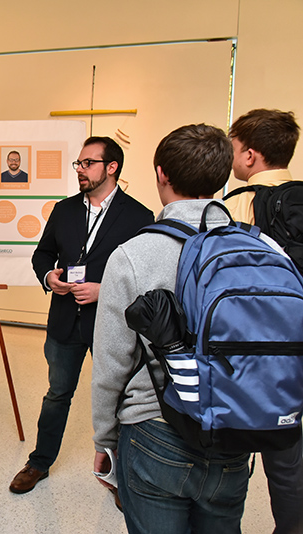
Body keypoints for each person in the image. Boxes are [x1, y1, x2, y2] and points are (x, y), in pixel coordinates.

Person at [92, 124, 252, 533]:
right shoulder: (256, 246)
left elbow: (111, 363)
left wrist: (104, 441)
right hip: (235, 428)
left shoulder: (132, 255)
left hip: (155, 429)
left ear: (161, 173)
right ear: (223, 175)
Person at [9, 137, 153, 496]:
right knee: (57, 393)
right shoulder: (64, 209)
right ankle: (39, 462)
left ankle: (119, 475)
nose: (80, 170)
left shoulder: (139, 216)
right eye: (78, 163)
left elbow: (145, 276)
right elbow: (42, 255)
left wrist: (104, 291)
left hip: (110, 324)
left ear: (111, 167)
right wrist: (50, 277)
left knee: (119, 397)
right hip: (63, 321)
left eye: (88, 163)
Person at [224, 108, 303, 534]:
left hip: (253, 349)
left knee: (232, 448)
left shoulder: (239, 205)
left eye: (234, 150)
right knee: (287, 455)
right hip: (297, 346)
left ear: (250, 156)